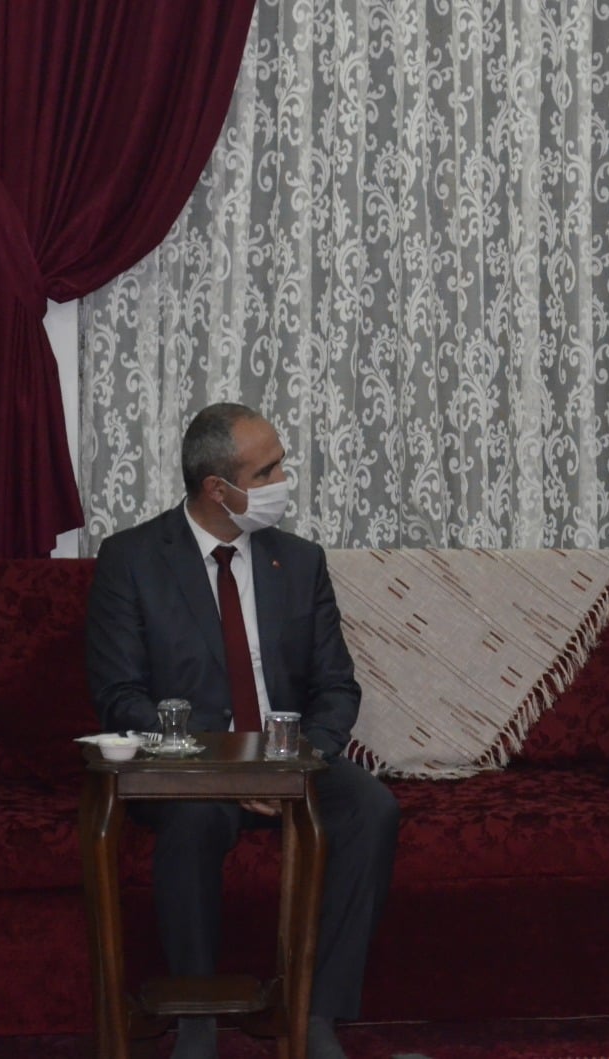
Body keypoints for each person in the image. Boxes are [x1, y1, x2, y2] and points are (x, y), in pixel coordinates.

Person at [87, 402, 400, 1059]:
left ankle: (316, 1011)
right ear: (217, 489)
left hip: (288, 758)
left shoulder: (300, 562)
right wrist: (229, 766)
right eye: (268, 471)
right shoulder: (132, 560)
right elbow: (121, 697)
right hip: (189, 766)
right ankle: (197, 1020)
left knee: (370, 806)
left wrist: (293, 761)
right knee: (195, 819)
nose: (284, 480)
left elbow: (337, 687)